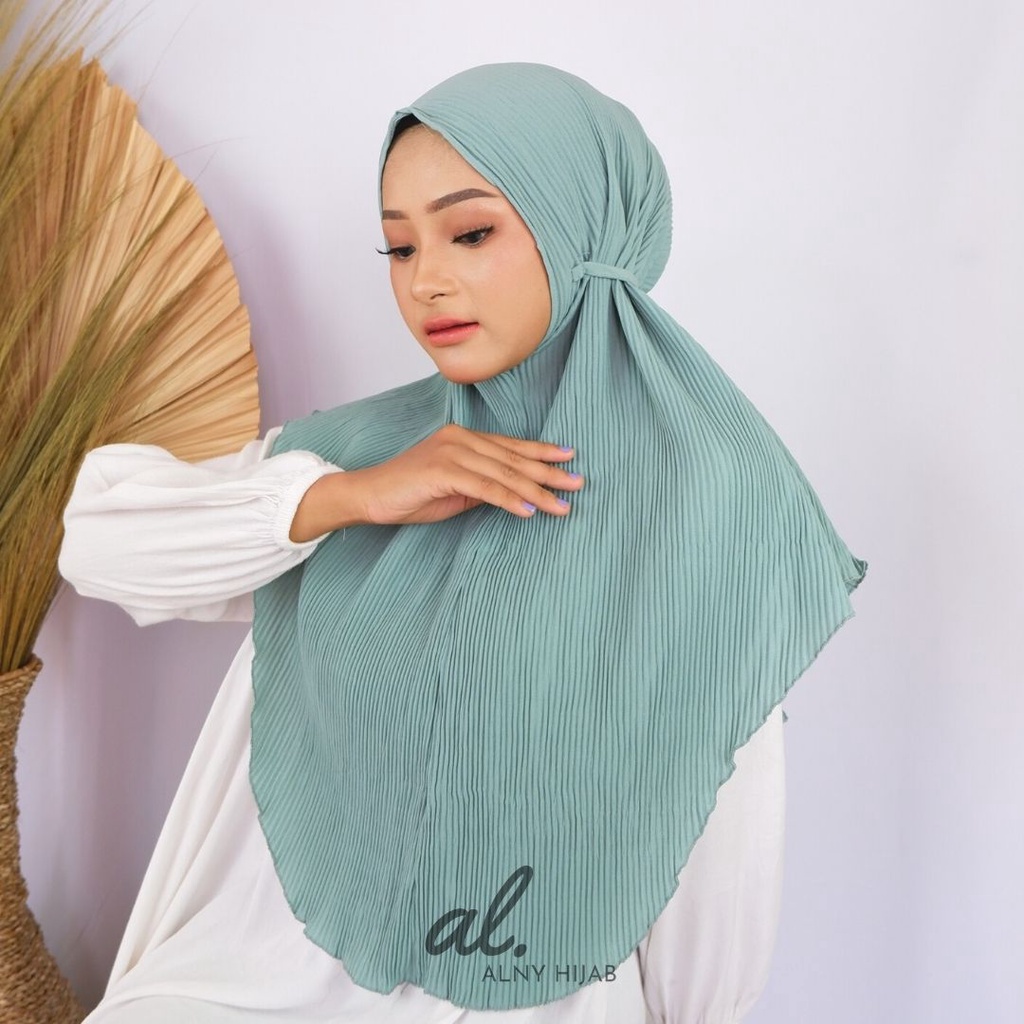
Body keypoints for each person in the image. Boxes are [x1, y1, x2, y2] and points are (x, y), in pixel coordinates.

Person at [59, 63, 866, 1023]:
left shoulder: (710, 510)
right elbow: (99, 543)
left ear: (580, 230)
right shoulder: (365, 459)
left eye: (471, 232)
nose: (425, 281)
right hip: (258, 986)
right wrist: (351, 498)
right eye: (399, 247)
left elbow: (718, 860)